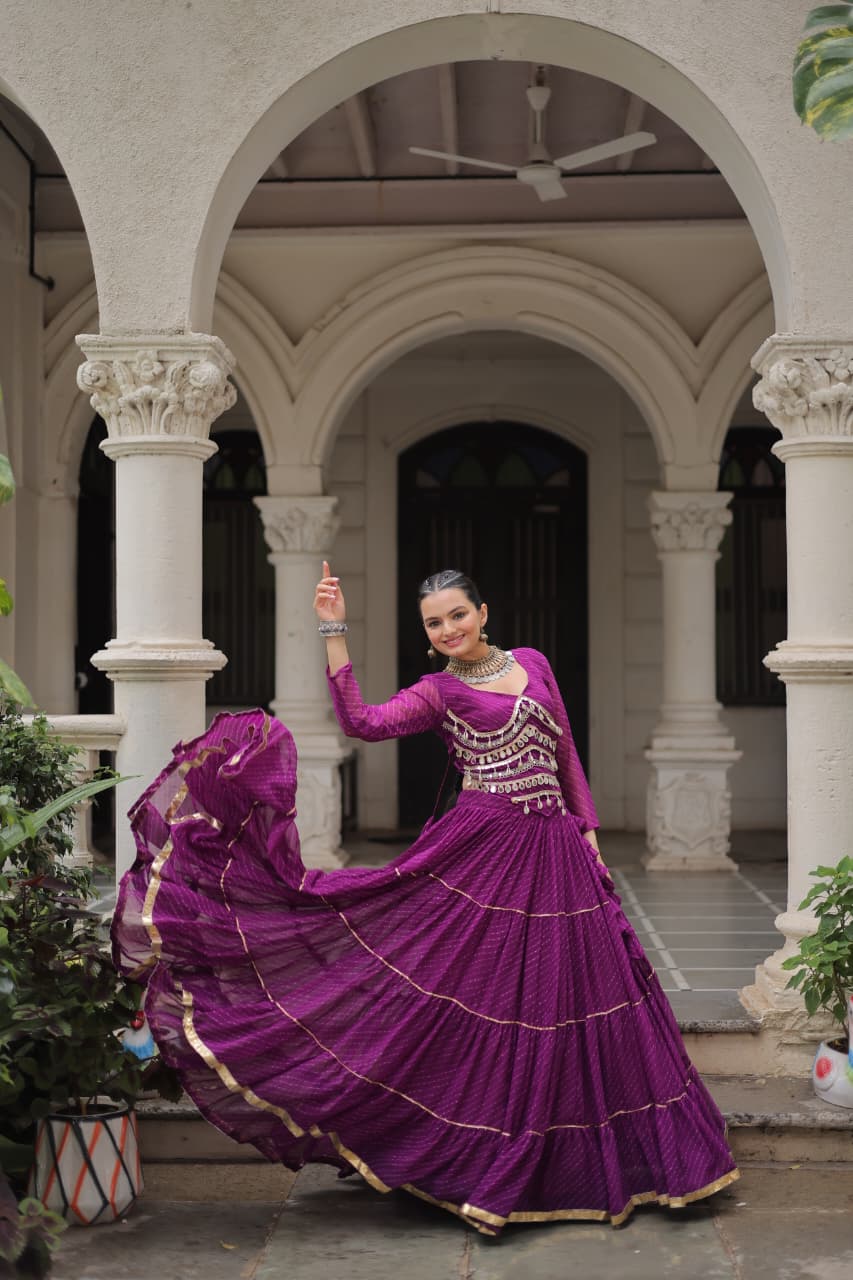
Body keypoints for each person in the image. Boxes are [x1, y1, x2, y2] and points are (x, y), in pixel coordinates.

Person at [111, 563, 739, 1236]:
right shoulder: (439, 690)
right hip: (483, 852)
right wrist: (332, 629)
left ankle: (616, 1161)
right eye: (434, 623)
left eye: (457, 616)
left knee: (582, 994)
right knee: (491, 997)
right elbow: (361, 721)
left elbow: (566, 756)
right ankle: (477, 1156)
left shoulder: (533, 663)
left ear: (483, 612)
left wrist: (585, 832)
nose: (447, 630)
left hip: (555, 851)